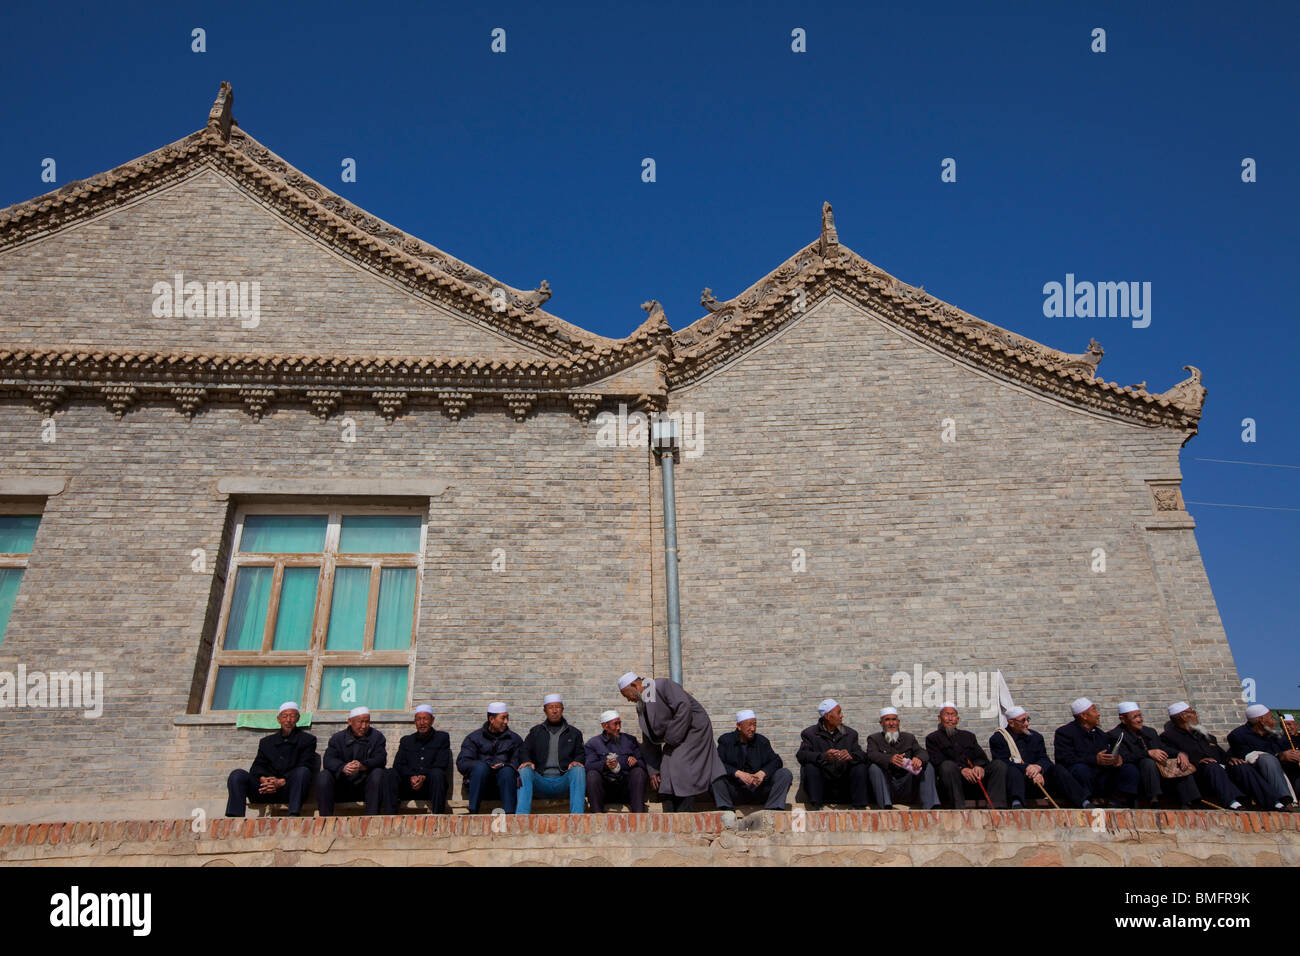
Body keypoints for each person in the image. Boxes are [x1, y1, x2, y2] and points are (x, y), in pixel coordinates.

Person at [619, 672, 726, 812]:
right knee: (666, 768)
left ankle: (685, 810)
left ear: (634, 685)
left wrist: (672, 736)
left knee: (680, 763)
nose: (628, 700)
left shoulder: (662, 685)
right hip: (675, 736)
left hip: (693, 730)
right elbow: (649, 736)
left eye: (627, 695)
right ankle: (671, 812)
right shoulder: (641, 704)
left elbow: (684, 706)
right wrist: (653, 769)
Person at [1160, 701, 1278, 811]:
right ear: (1183, 716)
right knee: (1211, 765)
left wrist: (1230, 759)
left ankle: (1272, 801)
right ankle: (1232, 801)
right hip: (1199, 773)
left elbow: (1222, 755)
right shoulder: (1168, 737)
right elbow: (1171, 754)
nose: (1196, 716)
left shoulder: (1206, 736)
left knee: (1241, 765)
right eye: (1193, 712)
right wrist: (1197, 761)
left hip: (1220, 770)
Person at [225, 701, 317, 817]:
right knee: (237, 775)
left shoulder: (307, 740)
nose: (288, 720)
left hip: (288, 790)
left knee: (303, 772)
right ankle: (235, 818)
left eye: (292, 716)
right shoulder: (266, 742)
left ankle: (293, 816)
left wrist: (280, 782)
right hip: (264, 790)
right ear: (279, 720)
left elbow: (306, 764)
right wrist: (264, 780)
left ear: (297, 719)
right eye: (285, 716)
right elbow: (257, 767)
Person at [989, 705, 1087, 808]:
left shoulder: (1036, 737)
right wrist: (1028, 769)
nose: (1027, 723)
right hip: (1017, 782)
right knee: (1013, 771)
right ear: (1011, 723)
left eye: (1028, 719)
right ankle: (1017, 804)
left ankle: (1083, 801)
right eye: (1023, 721)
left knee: (1057, 769)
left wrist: (1038, 768)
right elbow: (1003, 762)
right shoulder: (998, 739)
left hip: (1039, 782)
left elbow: (1044, 759)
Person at [1107, 702, 1199, 809]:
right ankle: (1154, 799)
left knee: (1180, 761)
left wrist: (1180, 753)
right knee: (1147, 762)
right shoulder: (1116, 734)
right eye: (1135, 717)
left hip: (1160, 771)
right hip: (1138, 774)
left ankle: (1190, 801)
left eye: (1140, 716)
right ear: (1123, 719)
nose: (1140, 720)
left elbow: (1162, 748)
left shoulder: (1149, 732)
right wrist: (1148, 753)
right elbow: (1123, 757)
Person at [1053, 697, 1137, 808]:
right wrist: (1094, 759)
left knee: (1129, 769)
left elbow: (1108, 753)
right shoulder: (1064, 732)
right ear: (1084, 716)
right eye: (1094, 710)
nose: (1098, 714)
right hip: (1080, 778)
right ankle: (1086, 802)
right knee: (1081, 769)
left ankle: (1119, 801)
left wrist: (1115, 759)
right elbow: (1064, 758)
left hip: (1101, 776)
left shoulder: (1101, 735)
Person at [925, 703, 1007, 808]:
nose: (950, 718)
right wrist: (961, 769)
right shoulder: (932, 738)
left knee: (998, 765)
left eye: (953, 715)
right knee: (947, 766)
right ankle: (959, 807)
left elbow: (981, 757)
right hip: (952, 780)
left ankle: (997, 806)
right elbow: (937, 761)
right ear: (939, 718)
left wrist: (978, 766)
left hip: (974, 777)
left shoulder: (968, 736)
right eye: (946, 715)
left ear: (957, 719)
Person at [711, 709, 794, 811]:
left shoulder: (762, 741)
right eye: (749, 725)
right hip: (735, 791)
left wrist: (763, 773)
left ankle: (772, 810)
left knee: (785, 774)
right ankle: (726, 811)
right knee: (715, 776)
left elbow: (777, 761)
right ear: (739, 726)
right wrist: (737, 773)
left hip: (758, 790)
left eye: (755, 725)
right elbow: (717, 763)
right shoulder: (726, 741)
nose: (753, 728)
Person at [517, 694, 586, 814]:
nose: (554, 711)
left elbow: (581, 753)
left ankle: (577, 817)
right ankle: (522, 818)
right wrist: (526, 760)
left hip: (563, 782)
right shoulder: (536, 732)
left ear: (562, 709)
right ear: (545, 710)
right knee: (524, 770)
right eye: (550, 707)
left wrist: (577, 761)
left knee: (578, 769)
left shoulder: (574, 733)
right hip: (541, 781)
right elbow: (524, 750)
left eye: (557, 707)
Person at [796, 699, 870, 810]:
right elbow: (801, 755)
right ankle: (816, 807)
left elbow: (863, 755)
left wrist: (851, 756)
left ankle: (859, 807)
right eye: (839, 712)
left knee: (860, 766)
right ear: (827, 716)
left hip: (844, 787)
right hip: (822, 788)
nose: (842, 715)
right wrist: (823, 756)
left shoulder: (850, 733)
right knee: (810, 766)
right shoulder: (810, 734)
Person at [316, 705, 387, 815]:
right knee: (324, 775)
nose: (364, 726)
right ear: (350, 722)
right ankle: (325, 819)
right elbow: (328, 760)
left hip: (366, 787)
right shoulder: (337, 738)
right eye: (360, 722)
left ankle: (372, 818)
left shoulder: (377, 737)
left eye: (367, 722)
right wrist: (343, 767)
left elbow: (381, 759)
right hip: (342, 787)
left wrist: (362, 765)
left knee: (378, 773)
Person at [865, 706, 939, 810]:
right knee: (874, 768)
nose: (891, 723)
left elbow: (922, 752)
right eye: (887, 720)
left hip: (907, 785)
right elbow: (871, 754)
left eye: (894, 719)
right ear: (881, 723)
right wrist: (890, 759)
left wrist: (918, 759)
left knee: (927, 766)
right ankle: (886, 807)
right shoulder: (874, 739)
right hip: (887, 785)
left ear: (898, 722)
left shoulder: (909, 738)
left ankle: (930, 806)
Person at [456, 702, 524, 813]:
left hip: (504, 785)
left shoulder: (514, 739)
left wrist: (503, 766)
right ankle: (473, 812)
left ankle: (509, 814)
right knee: (481, 768)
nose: (506, 722)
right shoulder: (473, 738)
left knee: (507, 771)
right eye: (503, 718)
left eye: (507, 718)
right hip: (480, 784)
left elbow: (518, 761)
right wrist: (486, 766)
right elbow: (463, 763)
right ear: (491, 719)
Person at [1226, 704, 1297, 809]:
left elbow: (1283, 751)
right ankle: (1285, 801)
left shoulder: (1274, 736)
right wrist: (1279, 756)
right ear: (1262, 720)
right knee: (1266, 759)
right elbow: (1249, 757)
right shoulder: (1238, 735)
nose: (1274, 722)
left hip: (1280, 771)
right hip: (1253, 773)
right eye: (1271, 718)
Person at [384, 704, 450, 814]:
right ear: (415, 721)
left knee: (437, 773)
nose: (422, 723)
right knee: (390, 773)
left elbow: (442, 763)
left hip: (430, 786)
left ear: (432, 720)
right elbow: (398, 765)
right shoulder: (406, 740)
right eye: (418, 719)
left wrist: (424, 776)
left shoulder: (442, 738)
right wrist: (411, 776)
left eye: (425, 719)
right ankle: (390, 817)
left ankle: (438, 817)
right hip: (409, 786)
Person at [584, 710, 648, 813]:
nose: (619, 727)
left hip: (626, 789)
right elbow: (588, 766)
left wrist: (635, 761)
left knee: (639, 772)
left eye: (619, 723)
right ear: (605, 726)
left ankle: (639, 815)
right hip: (605, 790)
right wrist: (605, 765)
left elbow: (643, 763)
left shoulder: (630, 740)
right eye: (615, 724)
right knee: (592, 775)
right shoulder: (593, 744)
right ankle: (596, 816)